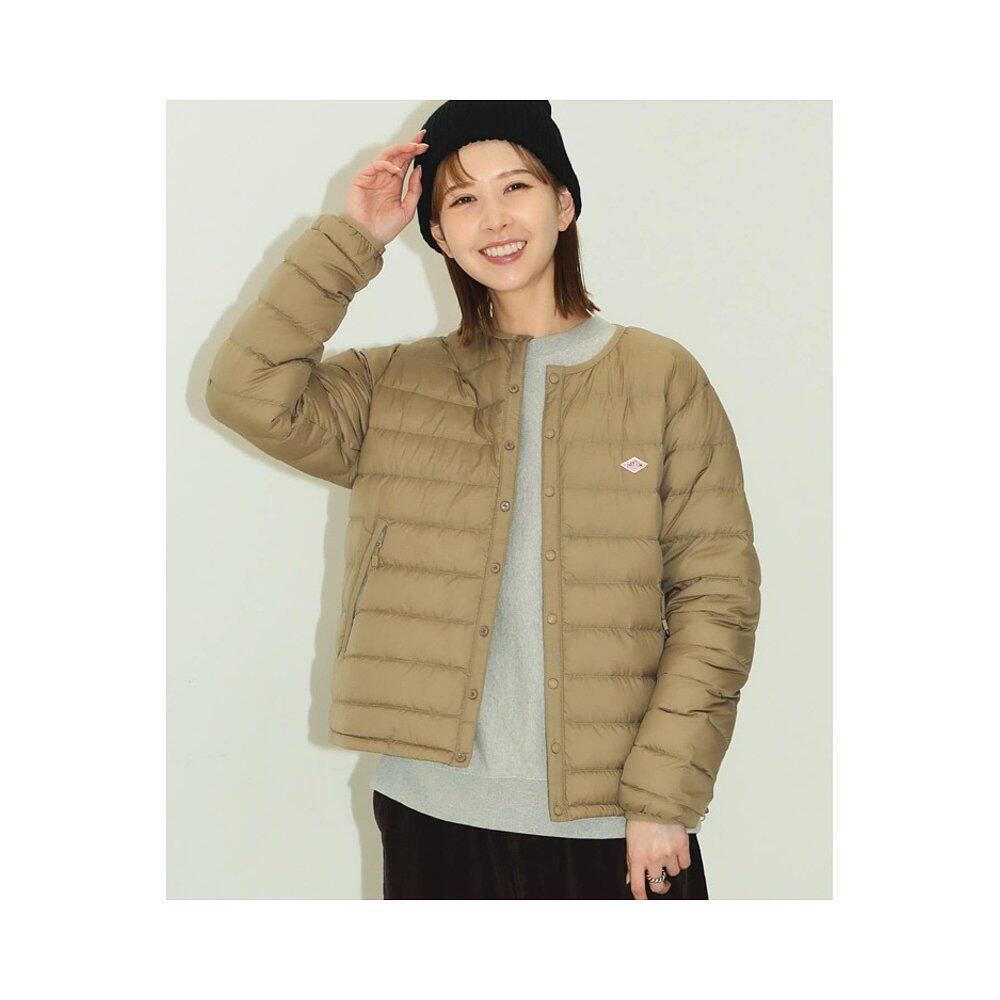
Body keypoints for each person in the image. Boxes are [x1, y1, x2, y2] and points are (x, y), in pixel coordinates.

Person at [205, 100, 762, 900]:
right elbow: (246, 390)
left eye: (517, 187)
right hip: (432, 815)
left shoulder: (659, 377)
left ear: (563, 204)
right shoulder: (394, 387)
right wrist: (355, 238)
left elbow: (717, 600)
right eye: (463, 199)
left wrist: (664, 798)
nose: (494, 219)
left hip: (614, 824)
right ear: (436, 232)